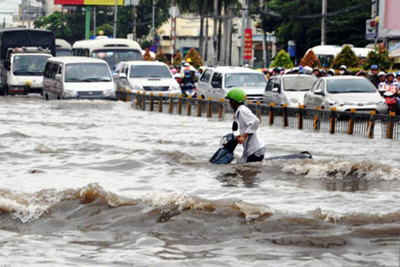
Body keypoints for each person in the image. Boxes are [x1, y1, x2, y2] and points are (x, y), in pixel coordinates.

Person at [226, 88, 266, 163]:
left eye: (230, 101)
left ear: (234, 101)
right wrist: (238, 137)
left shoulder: (242, 110)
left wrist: (244, 136)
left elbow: (255, 121)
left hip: (255, 149)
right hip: (254, 149)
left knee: (247, 173)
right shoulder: (241, 111)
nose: (229, 103)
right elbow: (248, 126)